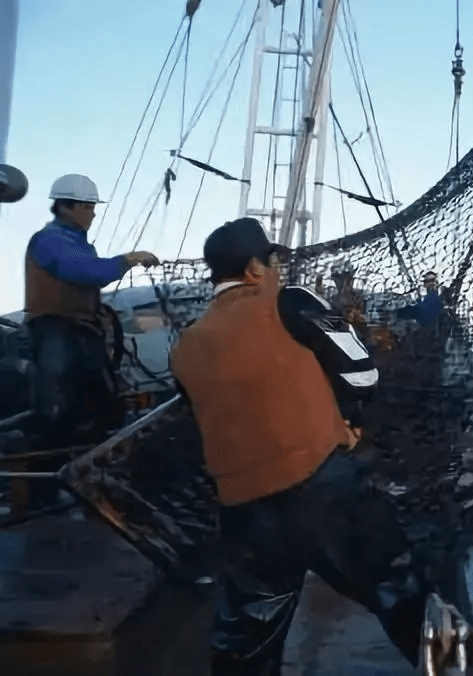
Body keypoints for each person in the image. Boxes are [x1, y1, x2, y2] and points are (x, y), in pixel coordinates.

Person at [169, 217, 425, 675]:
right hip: (325, 487)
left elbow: (204, 413)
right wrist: (347, 416)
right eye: (273, 261)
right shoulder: (294, 301)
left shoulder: (186, 343)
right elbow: (362, 372)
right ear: (253, 269)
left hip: (244, 511)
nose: (279, 270)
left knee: (249, 629)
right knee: (401, 593)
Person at [24, 173, 159, 448]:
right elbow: (86, 271)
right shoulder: (49, 241)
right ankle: (53, 465)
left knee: (101, 407)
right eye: (87, 207)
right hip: (55, 331)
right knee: (60, 410)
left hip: (83, 332)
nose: (93, 214)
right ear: (64, 207)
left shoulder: (78, 245)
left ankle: (89, 458)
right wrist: (129, 259)